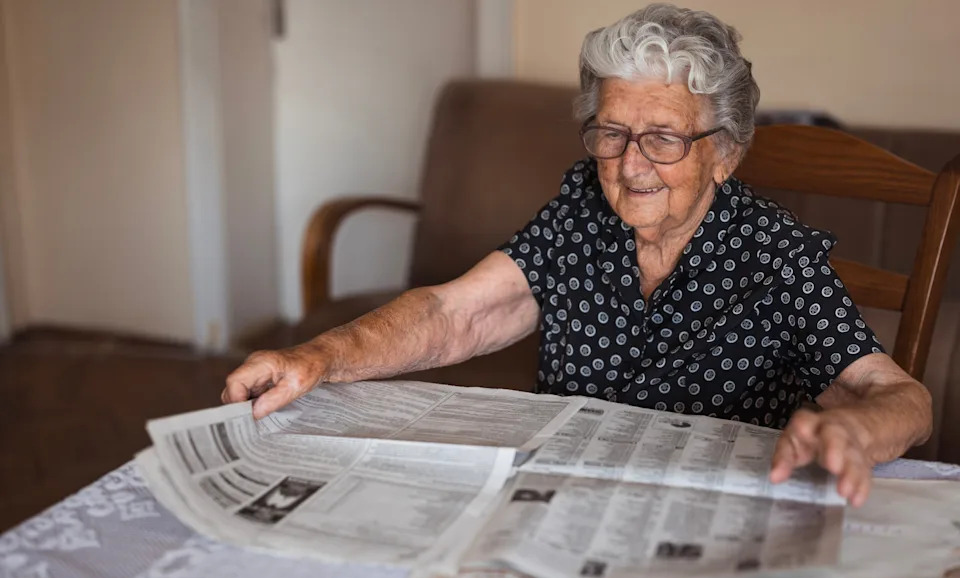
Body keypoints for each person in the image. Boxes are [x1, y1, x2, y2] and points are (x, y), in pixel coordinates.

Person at [223, 4, 931, 507]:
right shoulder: (581, 211)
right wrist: (318, 357)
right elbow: (455, 313)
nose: (630, 165)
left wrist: (854, 428)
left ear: (724, 154)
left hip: (702, 513)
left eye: (663, 138)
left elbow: (902, 399)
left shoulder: (775, 257)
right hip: (561, 497)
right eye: (612, 132)